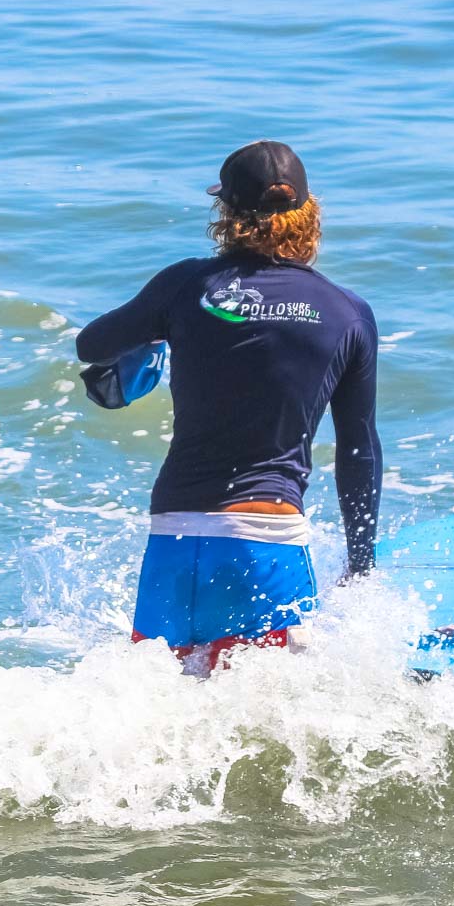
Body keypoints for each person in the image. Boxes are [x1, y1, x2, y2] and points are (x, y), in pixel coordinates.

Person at [76, 141, 382, 674]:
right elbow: (359, 449)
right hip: (266, 544)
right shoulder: (348, 312)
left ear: (228, 215)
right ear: (309, 214)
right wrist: (361, 564)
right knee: (263, 729)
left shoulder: (186, 285)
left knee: (163, 715)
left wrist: (157, 333)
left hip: (174, 536)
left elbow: (91, 346)